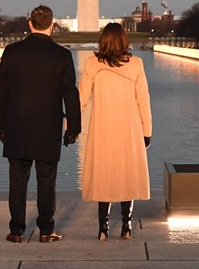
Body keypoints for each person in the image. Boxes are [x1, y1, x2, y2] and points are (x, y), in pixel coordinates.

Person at [0, 5, 81, 243]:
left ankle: (16, 230)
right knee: (46, 179)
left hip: (16, 125)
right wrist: (73, 129)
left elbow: (1, 91)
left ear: (30, 24)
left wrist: (2, 124)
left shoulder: (11, 52)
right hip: (48, 127)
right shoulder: (62, 55)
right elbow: (70, 94)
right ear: (52, 26)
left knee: (17, 179)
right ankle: (45, 229)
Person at [79, 22, 152, 241]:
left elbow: (81, 98)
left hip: (102, 128)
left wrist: (69, 126)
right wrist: (146, 131)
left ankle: (103, 228)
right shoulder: (136, 64)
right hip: (129, 129)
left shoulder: (92, 63)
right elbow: (143, 101)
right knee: (126, 175)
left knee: (104, 176)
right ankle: (127, 226)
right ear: (124, 40)